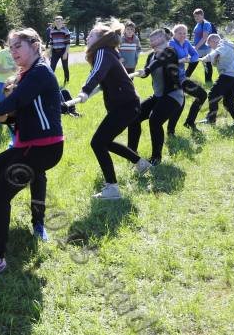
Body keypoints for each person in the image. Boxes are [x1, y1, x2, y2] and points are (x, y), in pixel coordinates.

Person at [0, 28, 65, 278]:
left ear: (35, 46)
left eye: (18, 46)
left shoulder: (40, 71)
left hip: (45, 148)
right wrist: (3, 117)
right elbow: (19, 113)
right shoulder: (25, 74)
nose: (13, 51)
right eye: (10, 47)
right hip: (27, 145)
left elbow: (17, 101)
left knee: (0, 193)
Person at [71, 19, 153, 200]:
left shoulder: (103, 51)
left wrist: (85, 91)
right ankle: (141, 164)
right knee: (105, 142)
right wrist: (96, 88)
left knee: (97, 143)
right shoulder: (108, 52)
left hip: (125, 106)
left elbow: (97, 73)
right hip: (126, 104)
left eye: (91, 35)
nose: (87, 37)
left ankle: (112, 188)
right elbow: (103, 75)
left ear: (101, 38)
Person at [128, 29, 184, 165]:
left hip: (173, 95)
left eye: (155, 39)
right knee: (133, 117)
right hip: (158, 96)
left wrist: (147, 70)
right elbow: (147, 71)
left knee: (155, 120)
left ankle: (156, 158)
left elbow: (158, 62)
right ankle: (131, 154)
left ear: (163, 39)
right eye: (151, 39)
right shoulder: (151, 55)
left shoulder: (170, 51)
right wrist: (142, 72)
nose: (152, 42)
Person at [197, 35, 234, 128]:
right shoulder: (225, 47)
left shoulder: (223, 45)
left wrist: (202, 58)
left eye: (210, 45)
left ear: (213, 41)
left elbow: (214, 54)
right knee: (228, 102)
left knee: (212, 96)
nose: (211, 47)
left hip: (228, 75)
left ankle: (210, 119)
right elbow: (216, 62)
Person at [166, 24, 207, 133]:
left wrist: (189, 60)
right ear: (174, 33)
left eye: (184, 33)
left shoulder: (186, 43)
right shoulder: (170, 44)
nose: (182, 35)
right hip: (172, 79)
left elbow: (195, 55)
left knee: (202, 95)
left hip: (182, 77)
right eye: (180, 33)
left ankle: (189, 122)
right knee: (180, 104)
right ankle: (170, 131)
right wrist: (181, 60)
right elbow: (167, 62)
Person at [189, 9, 214, 84]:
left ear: (202, 15)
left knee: (205, 65)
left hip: (205, 49)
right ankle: (184, 79)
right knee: (193, 64)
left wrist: (196, 48)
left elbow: (204, 38)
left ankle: (208, 81)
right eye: (195, 16)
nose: (196, 18)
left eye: (198, 16)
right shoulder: (198, 24)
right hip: (198, 48)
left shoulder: (206, 24)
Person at [46, 16, 72, 84]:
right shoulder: (52, 31)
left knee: (65, 67)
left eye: (59, 21)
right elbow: (51, 42)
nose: (58, 22)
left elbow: (68, 43)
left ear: (62, 22)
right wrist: (50, 52)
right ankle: (50, 81)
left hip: (63, 51)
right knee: (52, 67)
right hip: (55, 51)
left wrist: (66, 53)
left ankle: (67, 80)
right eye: (56, 21)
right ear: (54, 22)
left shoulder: (66, 30)